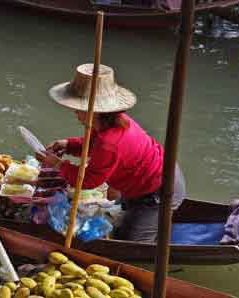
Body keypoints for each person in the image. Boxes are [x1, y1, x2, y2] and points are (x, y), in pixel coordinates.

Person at [36, 64, 186, 243]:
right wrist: (68, 145)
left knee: (133, 244)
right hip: (142, 182)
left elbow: (88, 180)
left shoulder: (110, 142)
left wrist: (58, 164)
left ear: (96, 112)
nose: (75, 112)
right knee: (123, 225)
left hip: (159, 191)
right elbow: (93, 146)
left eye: (78, 109)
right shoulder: (111, 123)